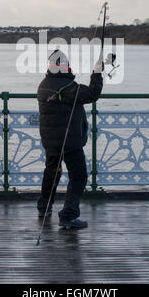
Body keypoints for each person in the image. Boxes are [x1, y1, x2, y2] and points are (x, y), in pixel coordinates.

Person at [37, 49, 103, 229]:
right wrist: (97, 72)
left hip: (50, 140)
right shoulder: (69, 88)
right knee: (79, 176)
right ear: (66, 68)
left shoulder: (43, 85)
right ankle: (68, 215)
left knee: (52, 172)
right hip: (69, 141)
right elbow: (92, 94)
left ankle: (44, 207)